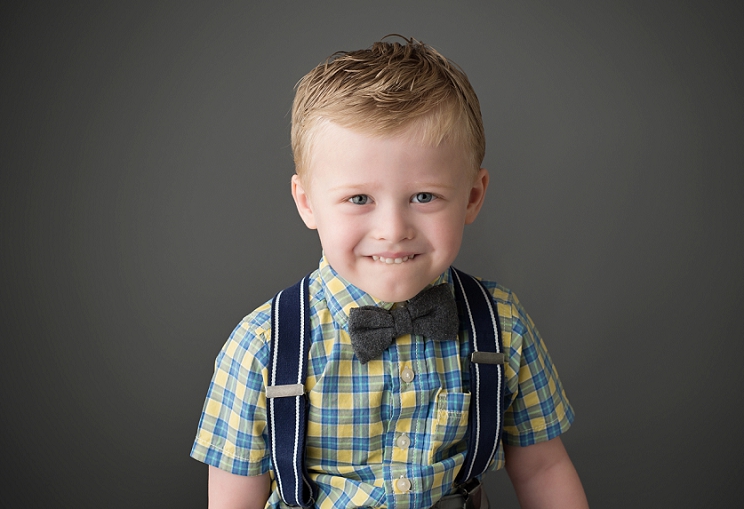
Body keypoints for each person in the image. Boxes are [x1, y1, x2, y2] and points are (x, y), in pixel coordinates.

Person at [191, 36, 588, 509]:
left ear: (473, 197)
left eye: (424, 197)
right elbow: (233, 501)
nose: (393, 230)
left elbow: (544, 468)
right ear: (307, 203)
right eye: (359, 199)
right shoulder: (263, 346)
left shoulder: (500, 324)